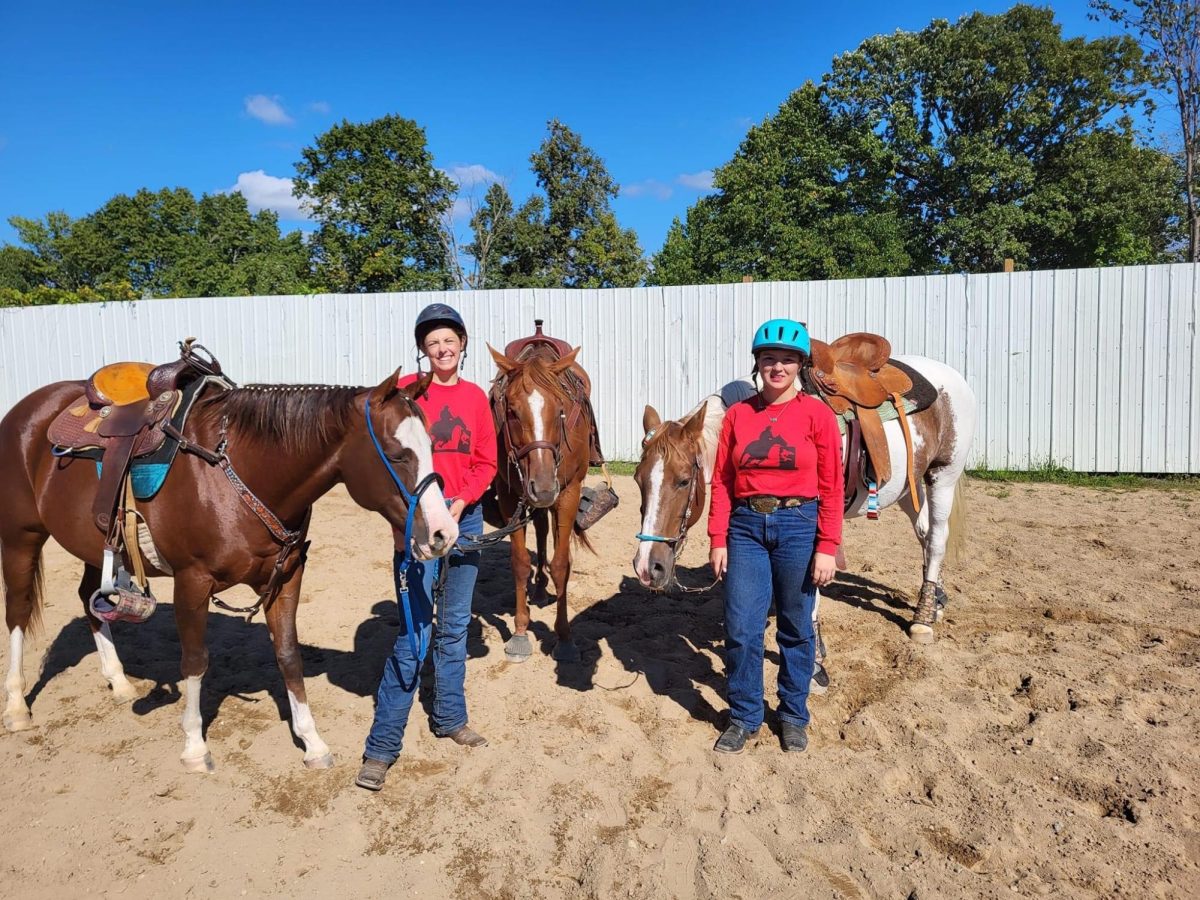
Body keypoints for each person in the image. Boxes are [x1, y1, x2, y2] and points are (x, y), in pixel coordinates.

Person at [356, 303, 498, 791]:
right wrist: (406, 521)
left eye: (449, 340)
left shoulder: (477, 399)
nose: (442, 348)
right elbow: (386, 466)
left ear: (461, 344)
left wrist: (462, 505)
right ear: (423, 349)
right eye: (433, 342)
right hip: (418, 526)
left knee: (454, 627)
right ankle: (382, 746)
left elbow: (486, 461)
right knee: (414, 633)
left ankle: (450, 717)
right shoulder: (404, 399)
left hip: (465, 518)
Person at [707, 318, 843, 754]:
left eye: (787, 360)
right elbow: (723, 481)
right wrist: (717, 538)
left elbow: (832, 486)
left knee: (795, 627)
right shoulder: (738, 416)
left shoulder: (817, 415)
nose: (778, 367)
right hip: (745, 528)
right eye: (769, 359)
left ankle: (792, 715)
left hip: (798, 526)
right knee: (743, 628)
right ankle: (744, 715)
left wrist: (827, 547)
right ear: (758, 364)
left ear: (800, 366)